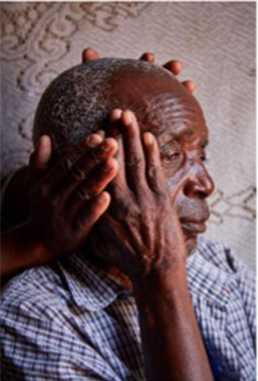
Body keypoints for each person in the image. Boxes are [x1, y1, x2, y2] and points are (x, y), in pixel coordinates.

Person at [1, 54, 255, 381]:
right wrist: (158, 268)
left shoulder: (218, 264)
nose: (207, 184)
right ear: (85, 172)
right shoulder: (32, 316)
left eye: (201, 155)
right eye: (170, 154)